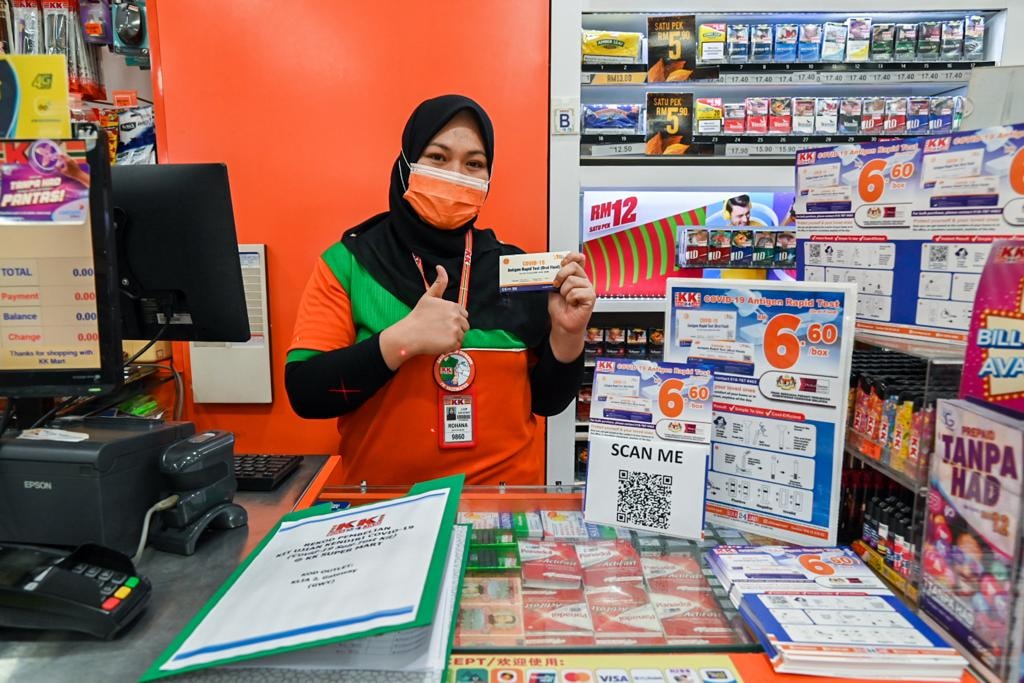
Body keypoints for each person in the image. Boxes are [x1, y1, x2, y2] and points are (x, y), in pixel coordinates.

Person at [285, 95, 595, 486]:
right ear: (406, 163)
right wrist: (401, 341)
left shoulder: (513, 269)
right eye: (437, 157)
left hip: (501, 508)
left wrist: (568, 336)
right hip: (385, 508)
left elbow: (547, 401)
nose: (455, 174)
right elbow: (307, 394)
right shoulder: (348, 263)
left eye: (474, 164)